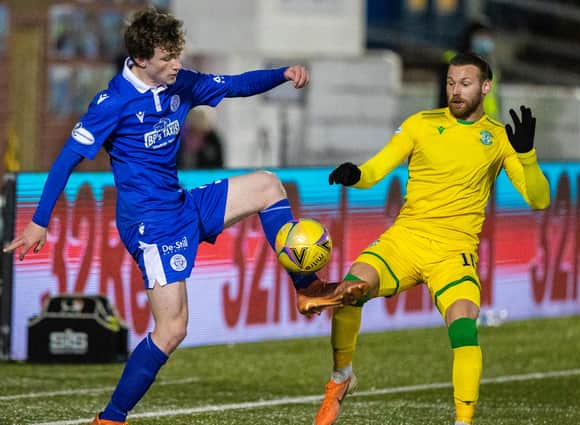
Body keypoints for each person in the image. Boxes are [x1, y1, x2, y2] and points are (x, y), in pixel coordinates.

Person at [3, 7, 366, 425]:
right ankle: (110, 418)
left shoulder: (181, 82)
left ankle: (308, 287)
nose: (177, 64)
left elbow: (236, 85)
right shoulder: (112, 102)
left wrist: (283, 73)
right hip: (150, 225)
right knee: (172, 329)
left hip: (182, 205)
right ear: (141, 59)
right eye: (167, 58)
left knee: (268, 185)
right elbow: (66, 160)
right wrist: (39, 220)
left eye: (177, 54)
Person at [314, 52, 550, 425]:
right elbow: (376, 169)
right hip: (405, 240)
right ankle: (341, 378)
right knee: (349, 291)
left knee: (464, 325)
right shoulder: (420, 124)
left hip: (453, 252)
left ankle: (463, 421)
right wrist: (354, 174)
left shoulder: (501, 140)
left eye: (465, 83)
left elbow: (539, 200)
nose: (455, 91)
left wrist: (528, 156)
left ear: (486, 88)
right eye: (451, 83)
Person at [438, 18, 502, 119]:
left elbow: (495, 98)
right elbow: (445, 97)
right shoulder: (453, 61)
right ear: (470, 37)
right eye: (481, 35)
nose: (486, 40)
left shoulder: (489, 64)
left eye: (487, 36)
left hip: (487, 124)